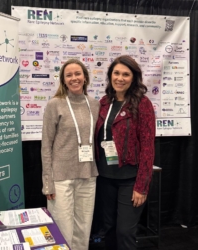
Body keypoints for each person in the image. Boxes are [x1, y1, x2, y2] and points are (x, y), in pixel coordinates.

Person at [94, 55, 155, 250]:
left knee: (125, 232)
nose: (120, 78)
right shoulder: (104, 102)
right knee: (109, 229)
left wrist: (142, 186)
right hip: (104, 177)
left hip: (130, 180)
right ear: (110, 75)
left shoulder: (142, 104)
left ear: (134, 78)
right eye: (116, 73)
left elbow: (147, 147)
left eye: (126, 74)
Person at [41, 58, 100, 250]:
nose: (74, 78)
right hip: (60, 178)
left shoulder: (94, 104)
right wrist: (47, 182)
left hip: (88, 174)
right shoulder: (55, 104)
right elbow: (46, 145)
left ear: (85, 77)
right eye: (69, 75)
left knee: (83, 230)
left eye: (77, 74)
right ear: (63, 80)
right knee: (62, 230)